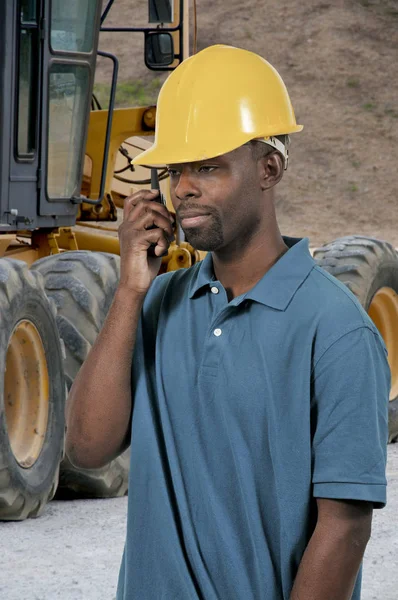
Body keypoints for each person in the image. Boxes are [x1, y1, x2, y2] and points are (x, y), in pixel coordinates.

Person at [66, 45, 390, 600]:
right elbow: (87, 448)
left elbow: (344, 526)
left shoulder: (337, 331)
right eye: (175, 171)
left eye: (208, 166)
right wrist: (129, 290)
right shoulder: (156, 304)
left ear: (269, 168)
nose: (184, 187)